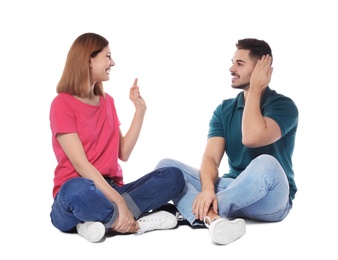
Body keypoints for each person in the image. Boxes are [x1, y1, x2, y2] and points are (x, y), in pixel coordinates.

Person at [156, 38, 298, 245]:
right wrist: (206, 189)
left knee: (265, 162)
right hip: (232, 188)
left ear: (261, 68)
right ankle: (212, 219)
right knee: (167, 167)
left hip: (270, 197)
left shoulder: (284, 106)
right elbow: (211, 158)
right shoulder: (224, 109)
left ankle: (189, 211)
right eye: (233, 62)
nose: (231, 68)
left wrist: (256, 89)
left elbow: (251, 137)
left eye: (240, 64)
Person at [49, 32, 185, 243]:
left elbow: (123, 152)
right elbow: (81, 165)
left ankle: (95, 223)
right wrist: (120, 203)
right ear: (88, 60)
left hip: (110, 189)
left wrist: (140, 111)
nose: (113, 62)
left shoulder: (107, 102)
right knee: (75, 190)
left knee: (173, 176)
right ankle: (134, 224)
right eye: (107, 56)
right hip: (76, 194)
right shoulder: (62, 104)